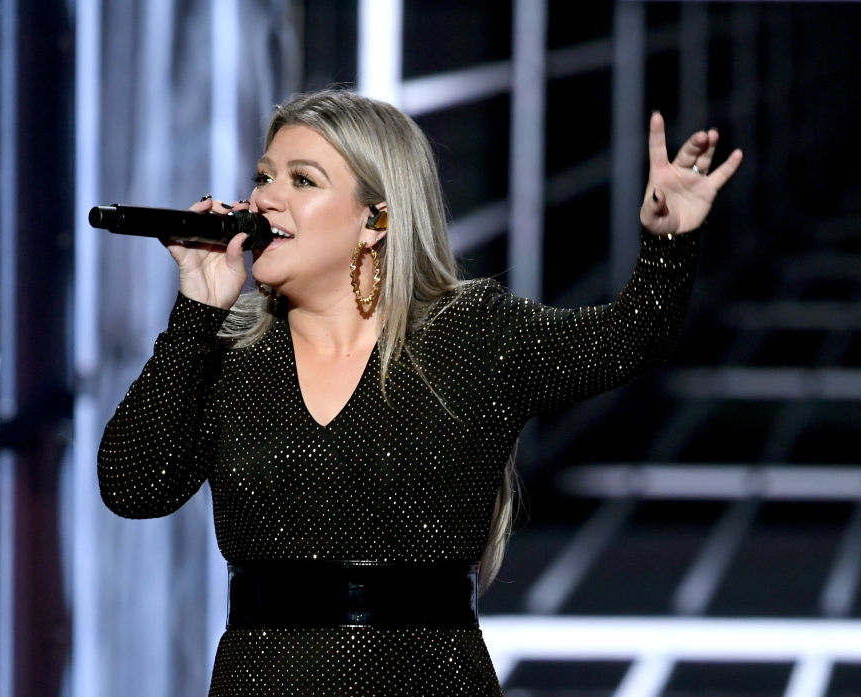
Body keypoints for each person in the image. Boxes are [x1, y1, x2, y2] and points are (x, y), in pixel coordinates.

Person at [98, 89, 742, 695]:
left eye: (303, 180)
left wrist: (669, 246)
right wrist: (197, 310)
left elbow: (625, 341)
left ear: (375, 221)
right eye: (264, 176)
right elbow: (135, 487)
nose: (265, 199)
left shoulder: (474, 337)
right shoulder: (228, 357)